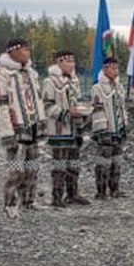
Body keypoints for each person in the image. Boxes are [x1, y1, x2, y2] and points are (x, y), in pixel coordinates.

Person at [0, 37, 46, 217]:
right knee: (15, 168)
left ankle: (29, 200)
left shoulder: (32, 75)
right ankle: (10, 203)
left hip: (32, 125)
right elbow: (1, 106)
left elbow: (38, 100)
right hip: (16, 128)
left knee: (32, 166)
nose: (27, 53)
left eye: (28, 49)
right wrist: (7, 132)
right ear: (12, 52)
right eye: (24, 49)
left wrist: (41, 121)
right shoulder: (2, 76)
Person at [42, 49, 91, 207]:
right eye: (68, 61)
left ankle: (72, 193)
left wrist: (82, 111)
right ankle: (57, 196)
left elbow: (77, 101)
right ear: (59, 62)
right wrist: (66, 113)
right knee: (60, 165)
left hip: (75, 128)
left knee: (74, 163)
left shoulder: (74, 81)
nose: (72, 65)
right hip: (59, 130)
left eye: (73, 61)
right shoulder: (50, 82)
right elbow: (47, 106)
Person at [90, 55, 130, 199]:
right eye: (112, 68)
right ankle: (101, 191)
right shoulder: (98, 88)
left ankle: (115, 188)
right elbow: (98, 109)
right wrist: (102, 130)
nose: (115, 71)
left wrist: (124, 124)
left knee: (116, 160)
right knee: (103, 162)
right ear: (105, 69)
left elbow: (122, 107)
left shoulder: (119, 87)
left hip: (118, 128)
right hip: (106, 129)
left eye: (117, 68)